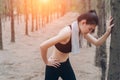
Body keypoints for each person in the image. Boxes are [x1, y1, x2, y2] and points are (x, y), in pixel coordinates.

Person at [40, 10, 114, 80]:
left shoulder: (80, 31)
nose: (90, 31)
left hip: (65, 65)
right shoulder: (67, 33)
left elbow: (97, 43)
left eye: (92, 30)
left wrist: (107, 32)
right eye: (90, 29)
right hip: (54, 65)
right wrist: (46, 62)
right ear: (83, 22)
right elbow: (43, 46)